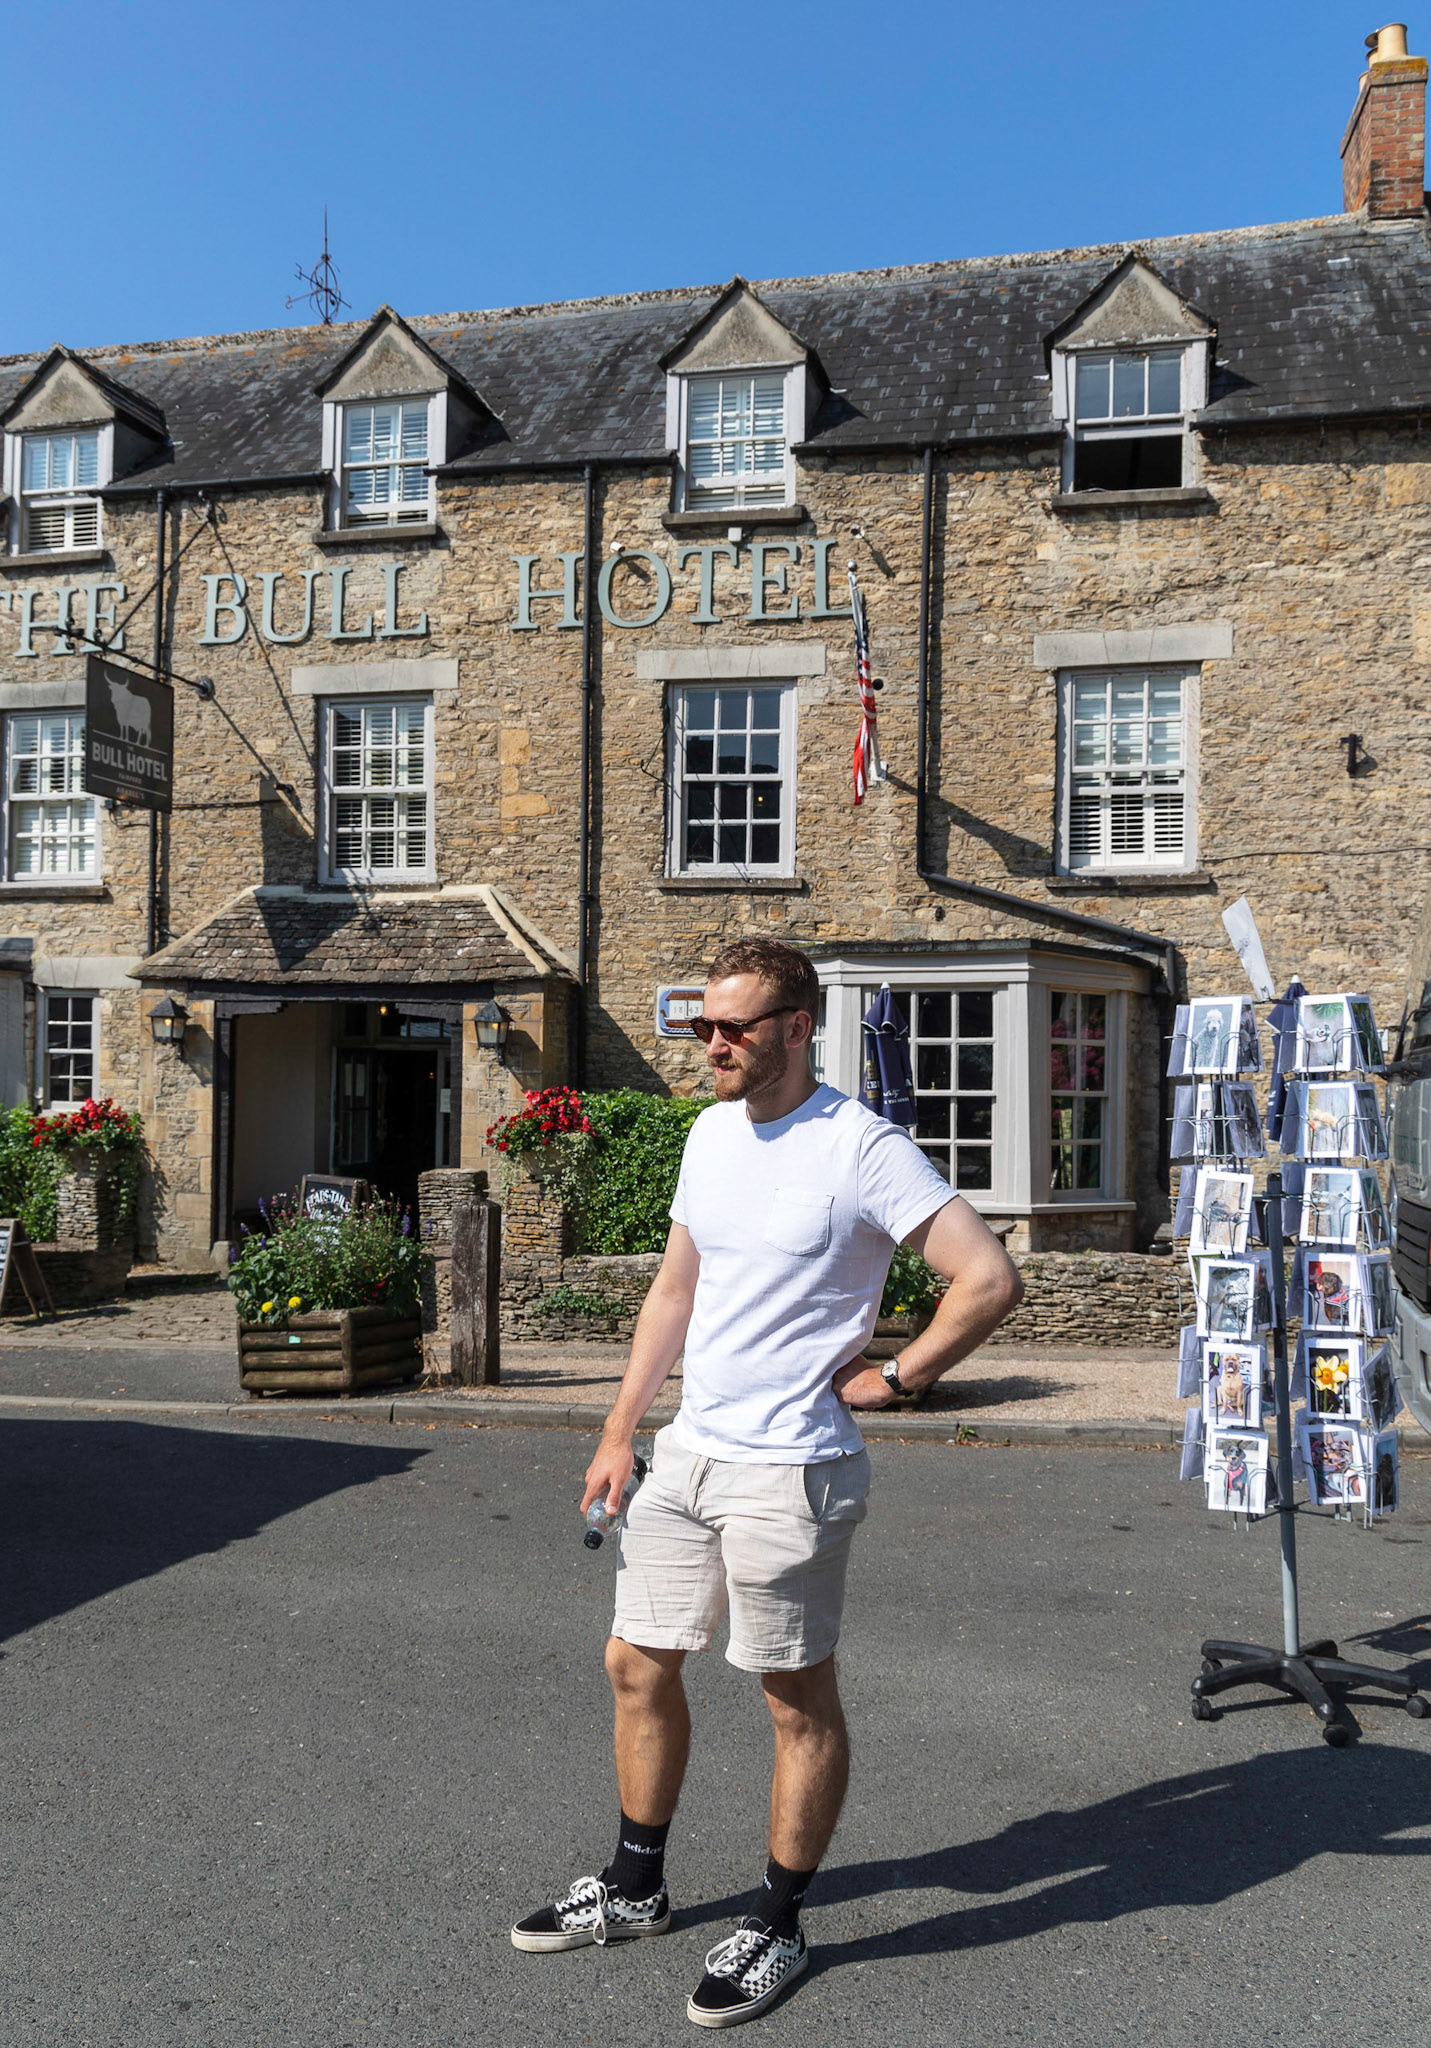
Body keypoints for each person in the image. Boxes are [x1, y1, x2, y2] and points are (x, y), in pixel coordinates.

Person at [511, 937, 1024, 2026]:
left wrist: (897, 1374)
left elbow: (986, 1277)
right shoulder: (708, 1135)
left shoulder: (864, 1148)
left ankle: (780, 1922)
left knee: (794, 1698)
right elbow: (672, 1293)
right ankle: (637, 1885)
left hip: (794, 1466)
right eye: (702, 1024)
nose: (713, 1044)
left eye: (734, 1025)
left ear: (798, 1025)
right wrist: (619, 1426)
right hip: (691, 1448)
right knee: (635, 1662)